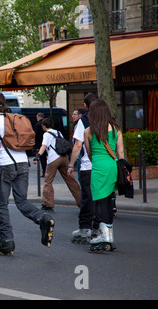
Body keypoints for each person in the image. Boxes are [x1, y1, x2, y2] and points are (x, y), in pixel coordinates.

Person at [0, 92, 55, 255]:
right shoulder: (15, 118)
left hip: (6, 165)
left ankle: (7, 240)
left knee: (1, 204)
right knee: (21, 201)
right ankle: (42, 218)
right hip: (23, 163)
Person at [84, 99, 124, 253]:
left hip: (99, 168)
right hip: (113, 167)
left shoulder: (88, 131)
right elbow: (120, 153)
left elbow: (89, 154)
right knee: (109, 200)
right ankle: (109, 233)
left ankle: (104, 235)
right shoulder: (116, 129)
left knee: (100, 202)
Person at [67, 93, 97, 244]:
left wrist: (71, 164)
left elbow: (78, 145)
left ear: (85, 105)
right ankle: (101, 227)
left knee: (87, 197)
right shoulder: (107, 120)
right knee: (101, 197)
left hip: (87, 165)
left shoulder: (83, 121)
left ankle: (85, 228)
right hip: (104, 165)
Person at [33, 118, 81, 212]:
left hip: (53, 159)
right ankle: (81, 202)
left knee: (48, 181)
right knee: (71, 181)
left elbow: (44, 146)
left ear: (43, 126)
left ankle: (48, 204)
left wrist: (38, 155)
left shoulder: (46, 134)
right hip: (64, 158)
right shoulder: (58, 132)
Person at [33, 112, 47, 177]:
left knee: (42, 159)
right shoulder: (46, 124)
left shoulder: (37, 125)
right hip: (47, 143)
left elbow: (35, 135)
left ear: (38, 117)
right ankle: (47, 171)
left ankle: (45, 171)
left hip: (40, 144)